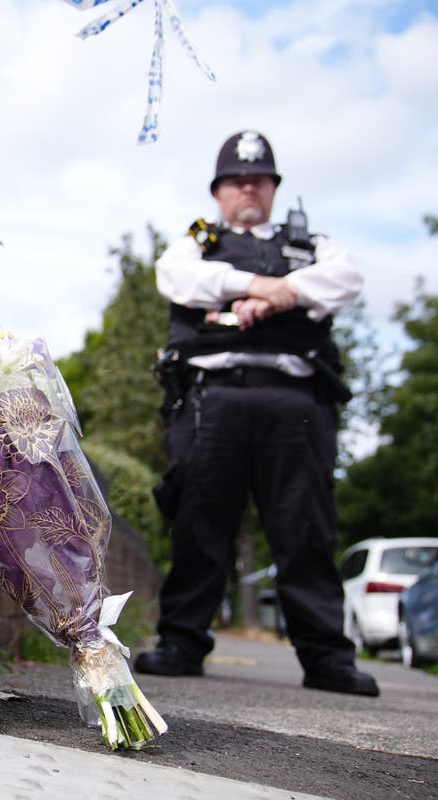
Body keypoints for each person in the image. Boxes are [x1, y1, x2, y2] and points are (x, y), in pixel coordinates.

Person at [135, 130, 378, 697]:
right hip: (211, 399)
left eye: (259, 178)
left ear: (273, 188)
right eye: (236, 179)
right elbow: (177, 278)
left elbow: (346, 280)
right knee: (200, 519)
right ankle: (182, 643)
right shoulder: (197, 242)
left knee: (305, 529)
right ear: (218, 191)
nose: (248, 186)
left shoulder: (312, 244)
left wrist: (279, 296)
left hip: (295, 404)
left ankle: (326, 657)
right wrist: (256, 284)